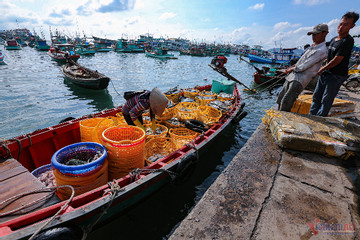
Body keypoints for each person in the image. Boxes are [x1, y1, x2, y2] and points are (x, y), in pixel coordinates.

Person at [310, 11, 359, 116]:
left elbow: (337, 59)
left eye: (346, 25)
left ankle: (319, 120)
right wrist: (323, 63)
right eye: (340, 24)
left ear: (352, 26)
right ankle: (311, 117)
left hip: (336, 76)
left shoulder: (347, 41)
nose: (341, 27)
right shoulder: (334, 39)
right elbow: (329, 56)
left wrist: (322, 68)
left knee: (326, 99)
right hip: (326, 73)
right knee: (316, 97)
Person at [276, 23, 329, 112]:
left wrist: (291, 69)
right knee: (280, 97)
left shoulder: (321, 50)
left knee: (287, 101)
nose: (313, 36)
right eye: (313, 34)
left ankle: (282, 118)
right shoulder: (312, 47)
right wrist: (292, 67)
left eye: (316, 34)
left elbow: (303, 66)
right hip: (292, 76)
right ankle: (277, 114)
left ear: (324, 33)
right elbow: (300, 61)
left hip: (300, 79)